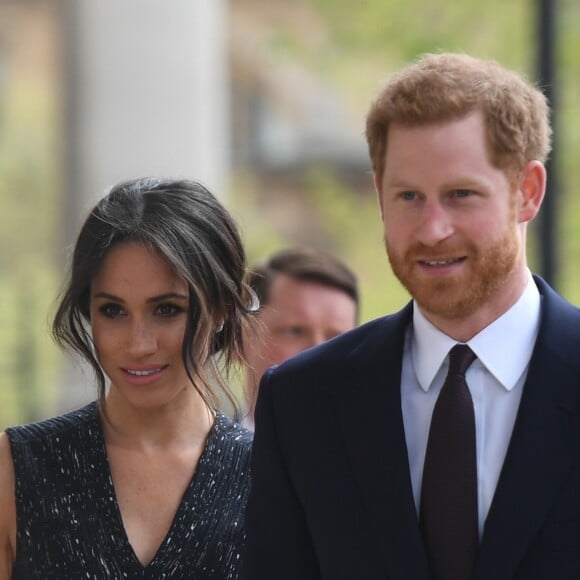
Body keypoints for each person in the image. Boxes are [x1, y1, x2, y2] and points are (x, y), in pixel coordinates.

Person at [242, 53, 580, 580]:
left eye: (460, 195)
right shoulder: (302, 402)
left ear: (528, 192)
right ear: (379, 195)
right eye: (409, 197)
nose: (432, 229)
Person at [0, 177, 257, 579]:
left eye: (167, 309)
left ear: (222, 308)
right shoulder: (15, 469)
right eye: (113, 311)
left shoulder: (269, 475)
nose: (138, 344)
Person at [242, 247, 359, 428]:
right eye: (295, 331)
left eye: (337, 338)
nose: (319, 353)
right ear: (241, 341)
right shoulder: (203, 453)